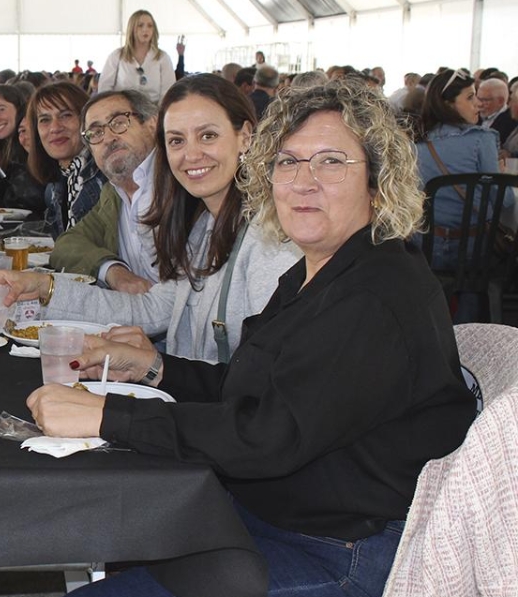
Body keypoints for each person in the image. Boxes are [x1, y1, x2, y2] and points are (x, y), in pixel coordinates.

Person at [26, 80, 475, 597]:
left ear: (377, 181)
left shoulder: (373, 294)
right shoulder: (319, 270)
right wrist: (156, 370)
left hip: (338, 549)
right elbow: (252, 384)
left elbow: (266, 437)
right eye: (287, 162)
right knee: (111, 525)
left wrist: (108, 416)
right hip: (275, 514)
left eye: (330, 162)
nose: (303, 182)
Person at [0, 75, 300, 364]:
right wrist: (44, 286)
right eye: (177, 140)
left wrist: (155, 370)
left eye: (208, 136)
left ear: (245, 136)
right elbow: (156, 308)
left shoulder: (271, 242)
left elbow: (264, 392)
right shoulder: (204, 225)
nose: (191, 154)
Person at [49, 90, 159, 294]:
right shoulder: (113, 193)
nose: (108, 138)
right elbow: (67, 244)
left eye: (118, 122)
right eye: (96, 133)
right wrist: (113, 271)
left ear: (152, 125)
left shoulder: (183, 184)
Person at [414, 68, 509, 271]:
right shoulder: (482, 140)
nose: (478, 103)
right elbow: (504, 200)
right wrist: (501, 177)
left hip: (424, 250)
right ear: (448, 104)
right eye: (470, 97)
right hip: (473, 251)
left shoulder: (414, 143)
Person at [26, 81, 106, 238]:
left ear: (87, 121)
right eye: (45, 120)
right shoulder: (57, 184)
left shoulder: (103, 177)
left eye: (66, 115)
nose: (55, 128)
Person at [0, 84, 45, 216]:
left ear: (19, 108)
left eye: (1, 109)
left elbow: (25, 200)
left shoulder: (30, 143)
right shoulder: (6, 147)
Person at [96, 10, 175, 100]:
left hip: (154, 111)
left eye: (150, 26)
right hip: (121, 110)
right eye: (140, 25)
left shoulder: (163, 58)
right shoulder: (117, 56)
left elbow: (168, 91)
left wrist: (158, 113)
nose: (145, 29)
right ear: (132, 29)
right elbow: (104, 88)